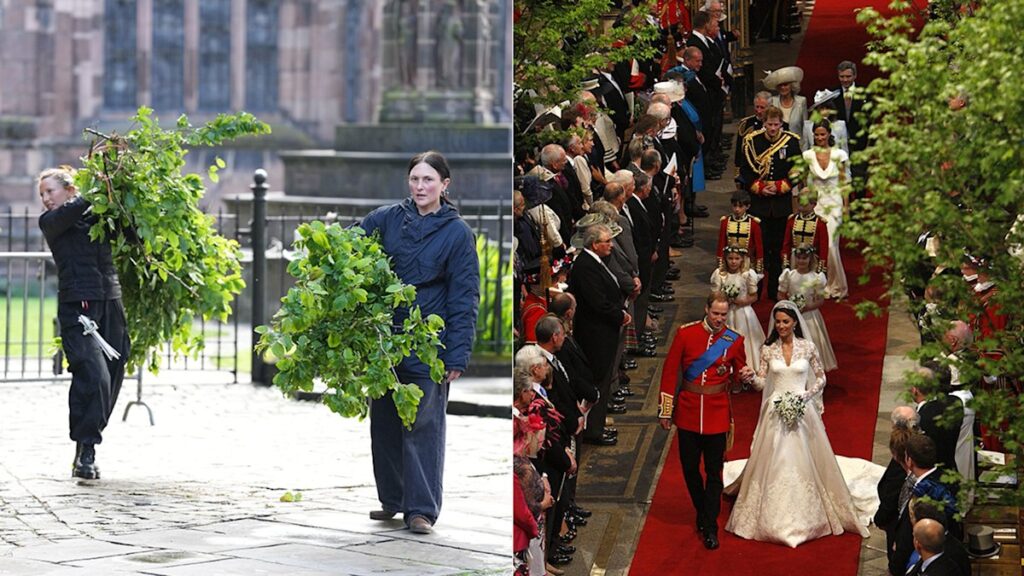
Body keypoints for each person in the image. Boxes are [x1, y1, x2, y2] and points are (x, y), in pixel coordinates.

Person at [360, 151, 480, 535]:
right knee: (384, 422)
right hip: (385, 340)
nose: (420, 187)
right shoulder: (385, 219)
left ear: (445, 185)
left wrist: (457, 354)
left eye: (428, 180)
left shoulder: (457, 233)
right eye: (415, 179)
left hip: (429, 341)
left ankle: (421, 509)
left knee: (423, 424)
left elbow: (465, 296)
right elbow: (351, 248)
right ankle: (392, 499)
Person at [724, 301, 869, 547]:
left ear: (794, 323)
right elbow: (762, 382)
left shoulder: (808, 347)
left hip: (803, 409)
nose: (781, 326)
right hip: (775, 410)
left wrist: (807, 395)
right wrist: (749, 379)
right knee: (775, 458)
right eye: (778, 321)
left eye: (785, 321)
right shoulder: (768, 349)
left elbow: (821, 377)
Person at [38, 166, 131, 480]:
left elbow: (129, 235)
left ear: (68, 189)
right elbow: (74, 210)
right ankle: (87, 450)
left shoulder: (99, 215)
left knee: (113, 374)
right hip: (78, 306)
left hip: (111, 302)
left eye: (50, 191)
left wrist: (123, 198)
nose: (45, 198)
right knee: (92, 373)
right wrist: (99, 186)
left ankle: (86, 440)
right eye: (42, 194)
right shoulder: (51, 222)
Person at [658, 292, 755, 550]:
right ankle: (702, 510)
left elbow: (736, 379)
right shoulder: (685, 334)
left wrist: (743, 377)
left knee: (714, 473)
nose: (720, 319)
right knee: (690, 469)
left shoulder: (734, 340)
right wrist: (666, 411)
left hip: (717, 415)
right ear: (706, 310)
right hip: (688, 413)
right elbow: (670, 372)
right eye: (716, 314)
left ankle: (710, 525)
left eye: (724, 315)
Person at [738, 105, 801, 300]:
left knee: (778, 250)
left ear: (781, 124)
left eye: (776, 124)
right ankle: (755, 291)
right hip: (760, 205)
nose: (772, 129)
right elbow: (745, 172)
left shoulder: (790, 142)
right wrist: (759, 187)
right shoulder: (752, 141)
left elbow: (798, 170)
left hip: (781, 205)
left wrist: (781, 186)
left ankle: (775, 290)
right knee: (759, 249)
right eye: (769, 124)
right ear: (763, 123)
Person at [803, 118, 851, 300]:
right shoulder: (807, 155)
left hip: (835, 203)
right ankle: (821, 284)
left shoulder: (839, 154)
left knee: (831, 246)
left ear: (829, 134)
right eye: (816, 134)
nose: (819, 137)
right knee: (817, 245)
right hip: (818, 204)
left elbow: (844, 182)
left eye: (822, 134)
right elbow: (805, 181)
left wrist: (846, 208)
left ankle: (838, 286)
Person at [778, 247, 837, 374]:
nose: (801, 261)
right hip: (793, 316)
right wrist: (790, 306)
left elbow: (820, 300)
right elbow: (781, 294)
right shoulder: (790, 275)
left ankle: (814, 372)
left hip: (810, 316)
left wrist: (807, 307)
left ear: (810, 259)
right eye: (799, 258)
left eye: (804, 258)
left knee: (812, 341)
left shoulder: (816, 278)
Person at [710, 246, 765, 383]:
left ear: (742, 259)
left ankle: (745, 370)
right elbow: (714, 295)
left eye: (737, 258)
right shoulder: (720, 274)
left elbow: (754, 296)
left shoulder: (747, 274)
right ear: (725, 259)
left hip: (743, 313)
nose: (733, 262)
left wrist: (741, 301)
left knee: (744, 340)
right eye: (730, 258)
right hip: (726, 314)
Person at [764, 67, 807, 144]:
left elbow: (805, 127)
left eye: (785, 85)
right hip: (777, 145)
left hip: (797, 145)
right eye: (780, 85)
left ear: (792, 86)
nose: (783, 87)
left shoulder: (801, 101)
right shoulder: (772, 101)